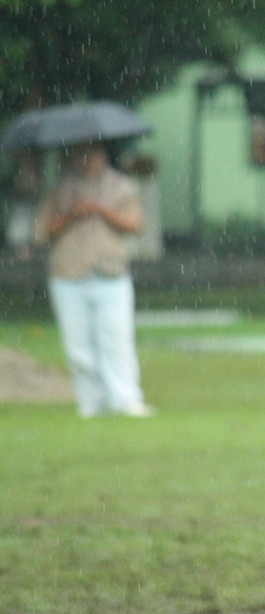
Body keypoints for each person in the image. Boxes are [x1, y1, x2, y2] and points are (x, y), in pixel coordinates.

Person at [34, 142, 153, 418]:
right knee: (78, 343)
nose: (87, 160)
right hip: (68, 272)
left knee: (116, 338)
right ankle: (91, 402)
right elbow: (42, 231)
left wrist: (100, 209)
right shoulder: (60, 188)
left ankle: (126, 399)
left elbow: (134, 225)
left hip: (109, 270)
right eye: (81, 154)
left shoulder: (121, 186)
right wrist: (71, 214)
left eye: (92, 154)